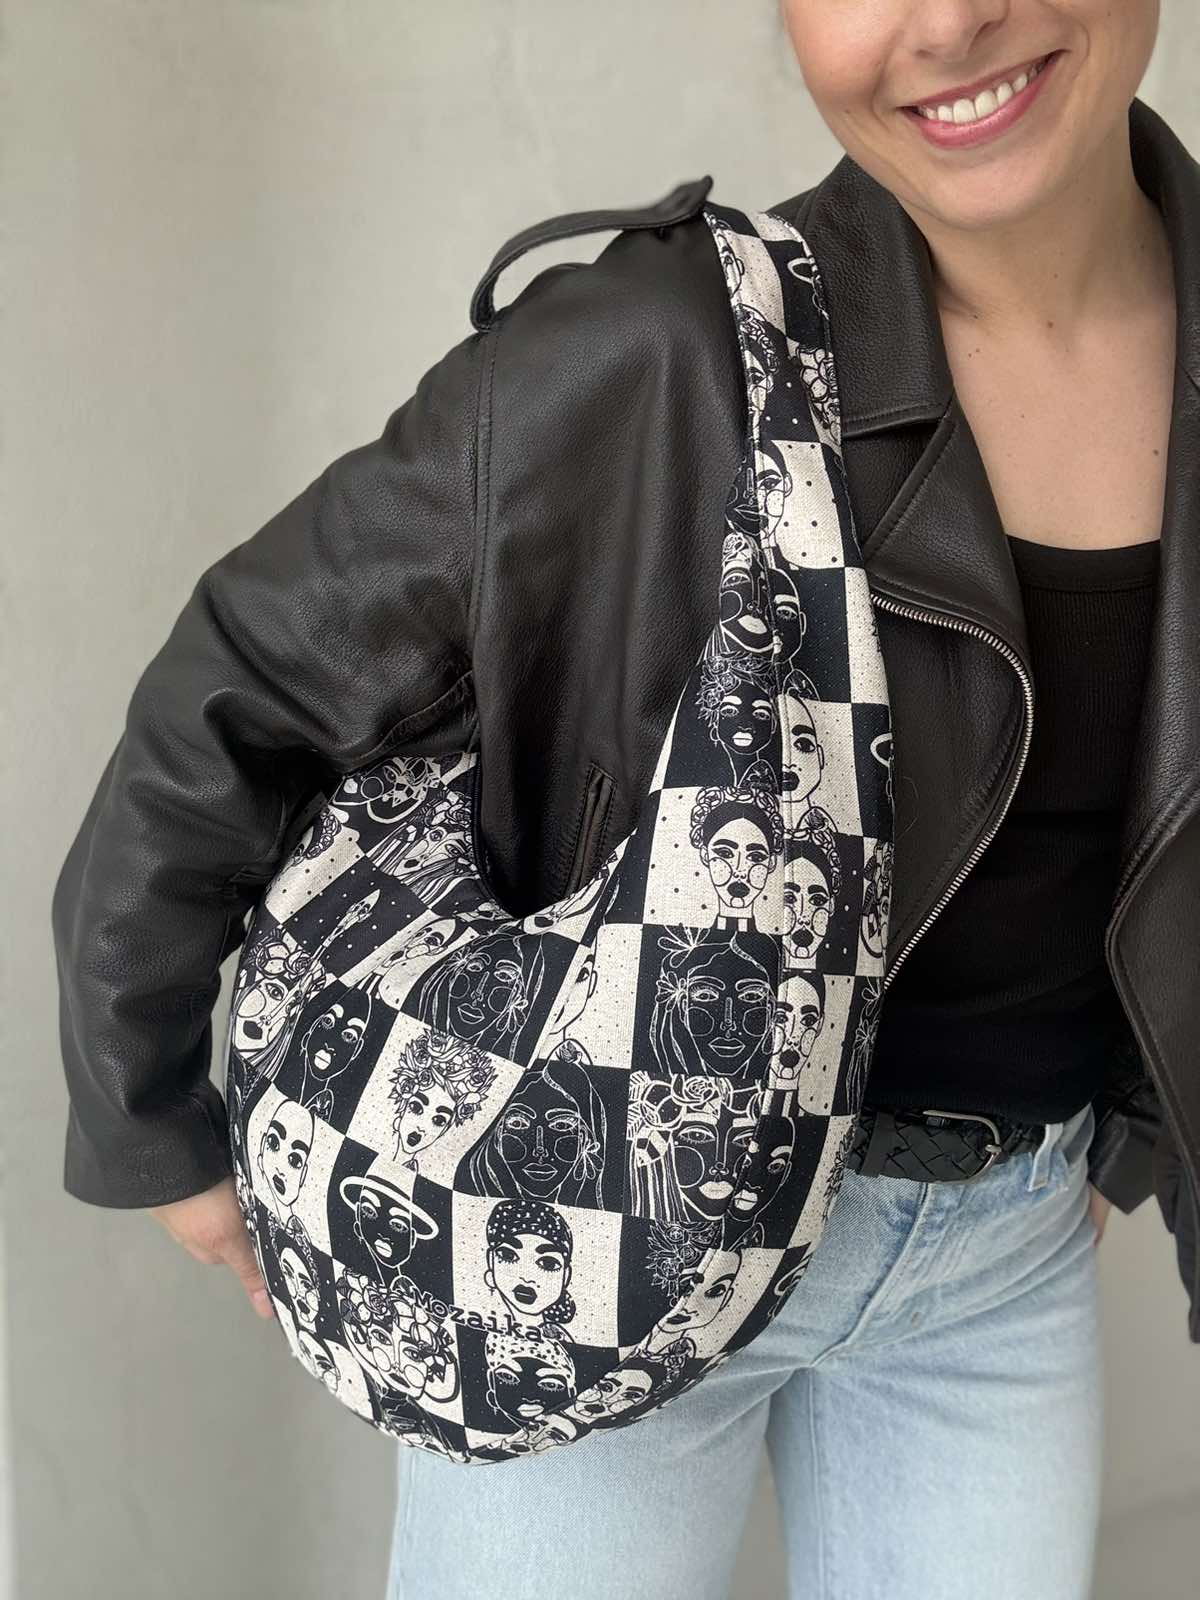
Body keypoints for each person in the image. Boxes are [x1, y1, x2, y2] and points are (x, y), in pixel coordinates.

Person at [50, 2, 1200, 1597]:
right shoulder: (663, 349)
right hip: (589, 1227)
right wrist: (148, 1121)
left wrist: (1125, 1132)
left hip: (1000, 1266)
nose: (946, 20)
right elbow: (246, 676)